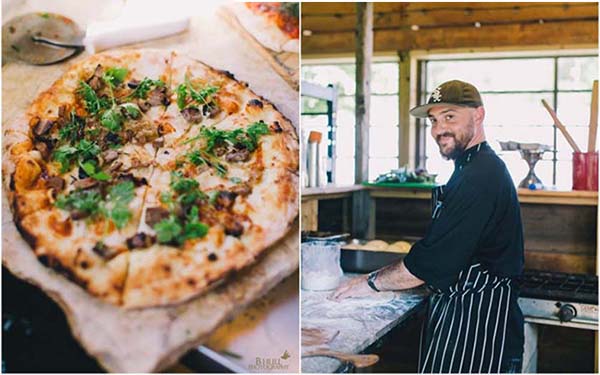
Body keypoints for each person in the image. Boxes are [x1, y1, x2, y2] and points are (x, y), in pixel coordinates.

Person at [331, 80, 525, 373]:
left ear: (478, 115)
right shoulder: (469, 168)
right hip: (462, 313)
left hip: (477, 325)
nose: (438, 129)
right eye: (433, 120)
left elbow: (430, 263)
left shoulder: (481, 175)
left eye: (449, 117)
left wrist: (370, 283)